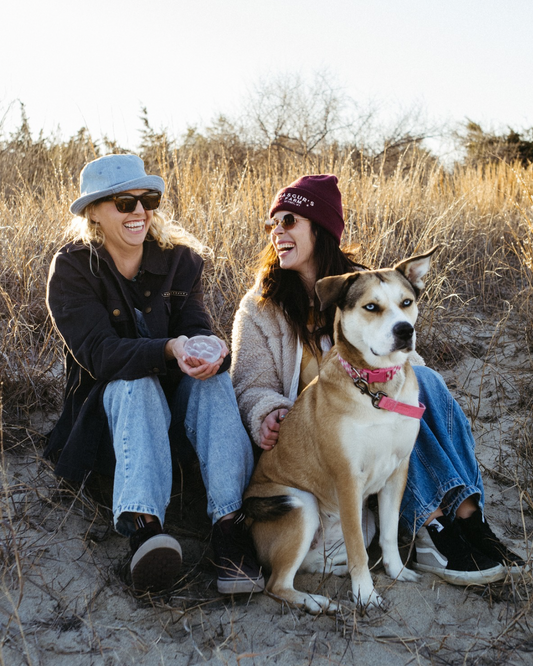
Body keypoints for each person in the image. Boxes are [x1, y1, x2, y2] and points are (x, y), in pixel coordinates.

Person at [231, 174, 524, 587]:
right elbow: (250, 382)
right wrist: (267, 412)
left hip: (373, 421)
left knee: (422, 387)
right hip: (316, 437)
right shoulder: (260, 306)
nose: (277, 231)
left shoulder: (369, 286)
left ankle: (468, 518)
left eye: (289, 220)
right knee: (386, 410)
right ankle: (432, 526)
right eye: (272, 223)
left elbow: (405, 361)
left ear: (320, 228)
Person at [45, 153, 264, 596]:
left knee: (214, 379)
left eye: (148, 199)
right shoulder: (71, 270)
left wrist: (208, 349)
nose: (140, 212)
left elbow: (195, 328)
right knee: (135, 382)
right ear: (95, 213)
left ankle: (229, 527)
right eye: (124, 203)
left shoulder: (180, 262)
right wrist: (168, 349)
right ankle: (146, 533)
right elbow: (101, 356)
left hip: (175, 426)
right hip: (110, 429)